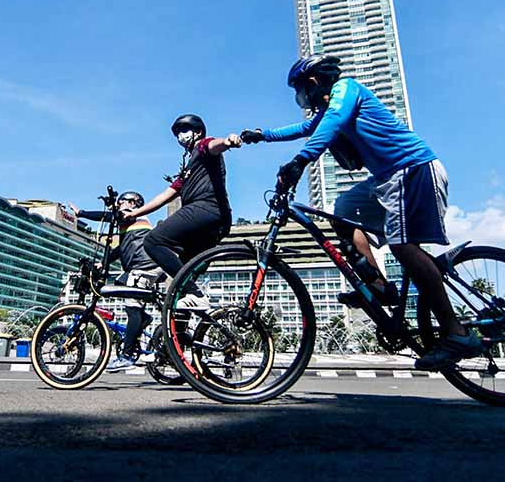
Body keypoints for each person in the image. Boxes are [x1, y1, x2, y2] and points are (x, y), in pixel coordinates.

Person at [239, 55, 481, 371]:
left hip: (411, 169)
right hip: (386, 179)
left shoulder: (345, 89)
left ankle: (456, 332)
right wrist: (263, 135)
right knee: (341, 212)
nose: (301, 100)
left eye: (300, 92)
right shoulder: (328, 108)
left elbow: (334, 120)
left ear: (312, 84)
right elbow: (306, 127)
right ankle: (379, 286)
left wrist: (300, 161)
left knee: (403, 246)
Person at [122, 114, 241, 310]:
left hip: (207, 208)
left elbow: (215, 146)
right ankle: (181, 335)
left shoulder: (203, 147)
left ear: (198, 132)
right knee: (182, 279)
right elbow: (165, 196)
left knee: (153, 241)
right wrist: (135, 213)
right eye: (177, 133)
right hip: (214, 220)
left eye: (184, 130)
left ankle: (195, 294)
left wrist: (228, 141)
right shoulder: (188, 169)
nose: (180, 136)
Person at [70, 192, 159, 373]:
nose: (119, 205)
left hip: (143, 267)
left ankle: (126, 356)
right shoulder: (132, 224)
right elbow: (121, 249)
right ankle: (143, 320)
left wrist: (82, 214)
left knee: (132, 308)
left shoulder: (133, 215)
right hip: (138, 268)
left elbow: (108, 217)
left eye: (123, 202)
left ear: (134, 204)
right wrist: (103, 262)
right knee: (118, 286)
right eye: (119, 203)